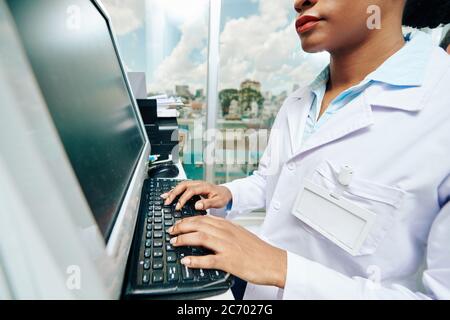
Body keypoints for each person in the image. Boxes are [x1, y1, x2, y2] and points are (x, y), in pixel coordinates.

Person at [163, 0, 450, 299]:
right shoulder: (301, 100)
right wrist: (229, 194)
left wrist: (283, 269)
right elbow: (273, 181)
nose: (299, 2)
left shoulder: (441, 109)